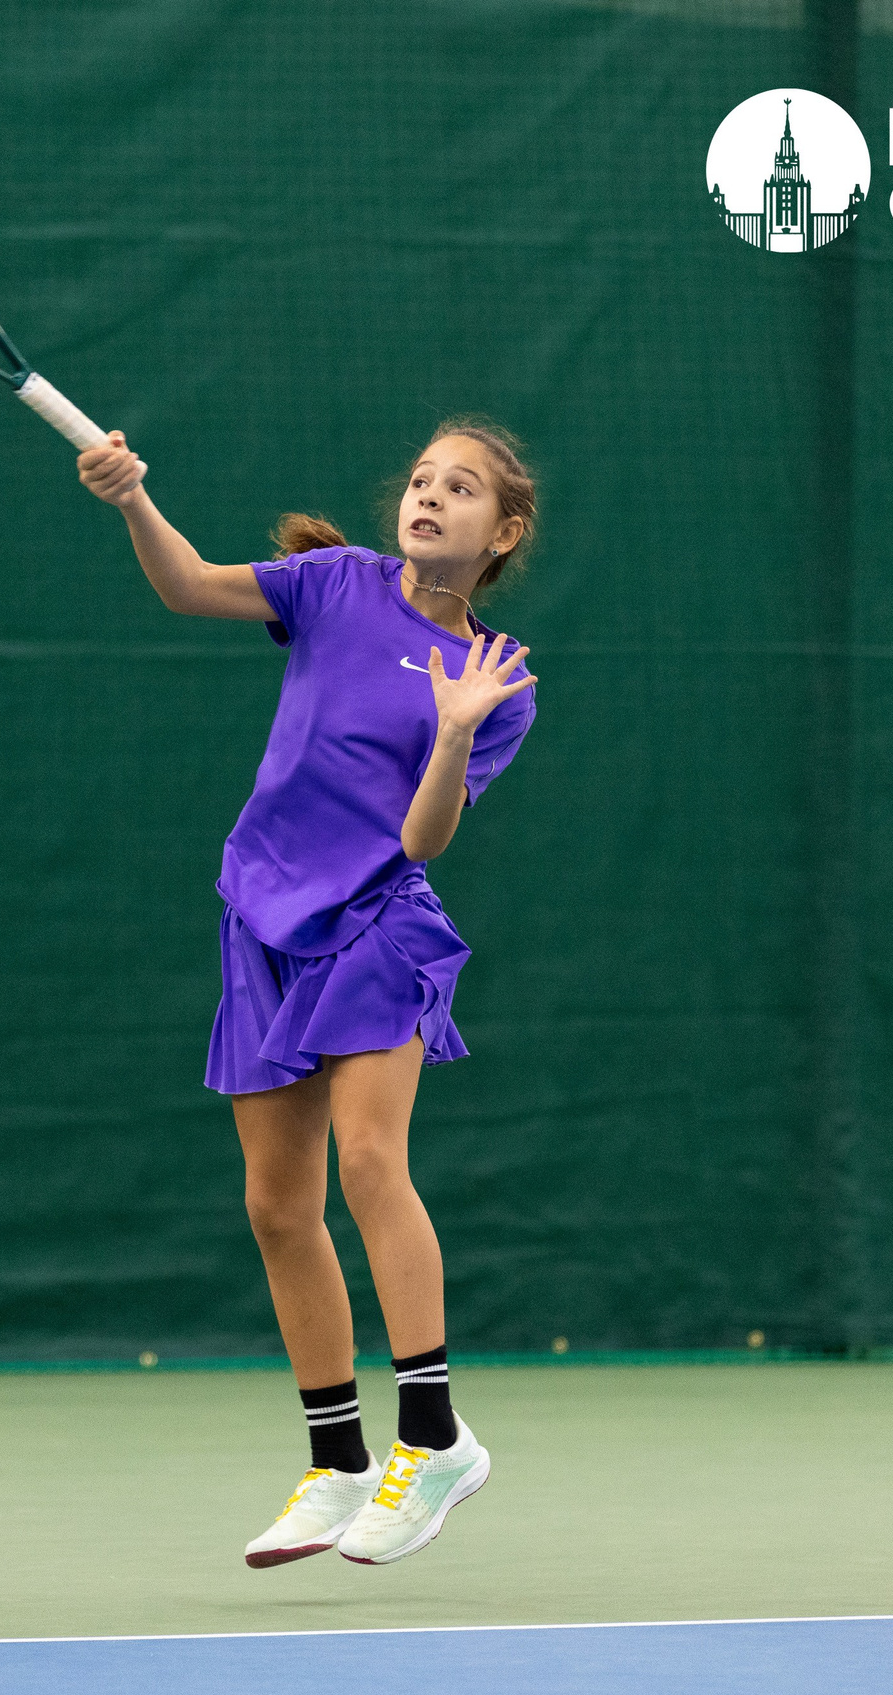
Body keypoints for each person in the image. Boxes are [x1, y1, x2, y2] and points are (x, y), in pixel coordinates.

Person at [76, 417, 540, 1567]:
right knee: (278, 1207)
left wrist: (449, 733)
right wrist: (132, 496)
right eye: (422, 479)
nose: (429, 497)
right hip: (264, 919)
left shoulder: (497, 680)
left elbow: (424, 840)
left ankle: (431, 1438)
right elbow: (186, 585)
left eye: (461, 488)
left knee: (369, 1161)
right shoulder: (331, 585)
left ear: (504, 531)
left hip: (378, 919)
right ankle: (336, 1460)